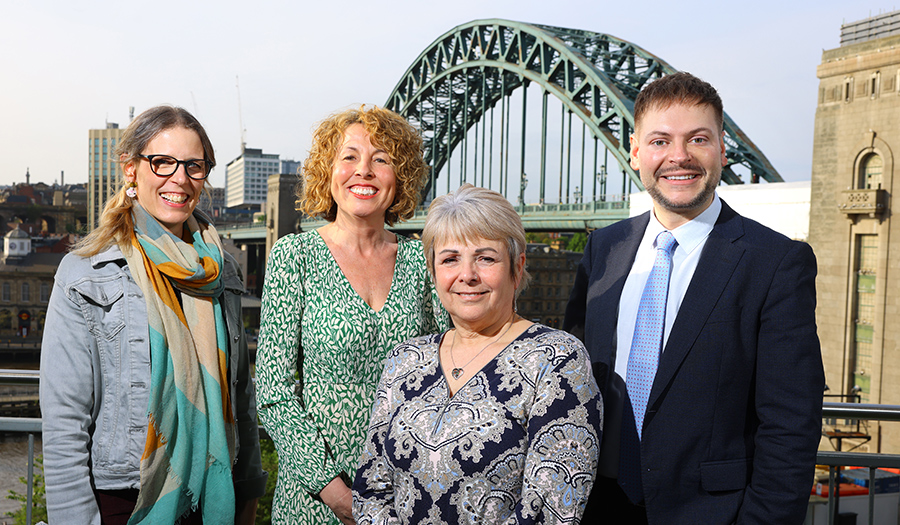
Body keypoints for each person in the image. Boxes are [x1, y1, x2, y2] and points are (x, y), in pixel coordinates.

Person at [564, 72, 825, 524]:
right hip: (594, 508)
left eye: (697, 139)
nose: (678, 157)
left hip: (709, 513)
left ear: (722, 148)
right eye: (660, 141)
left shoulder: (775, 262)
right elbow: (571, 377)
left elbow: (790, 426)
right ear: (636, 150)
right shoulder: (603, 249)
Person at [40, 105, 267, 524]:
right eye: (162, 162)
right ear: (131, 169)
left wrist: (250, 488)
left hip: (215, 499)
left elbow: (240, 395)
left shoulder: (222, 271)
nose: (179, 179)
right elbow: (64, 421)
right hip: (124, 503)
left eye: (194, 166)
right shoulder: (85, 272)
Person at [353, 184, 603, 525]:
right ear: (434, 271)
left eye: (485, 258)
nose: (467, 275)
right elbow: (371, 488)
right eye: (450, 259)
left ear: (517, 268)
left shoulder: (556, 359)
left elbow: (551, 510)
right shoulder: (406, 359)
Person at [256, 105, 448, 525]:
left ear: (400, 178)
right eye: (349, 157)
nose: (364, 171)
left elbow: (456, 366)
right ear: (328, 172)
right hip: (316, 500)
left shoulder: (423, 259)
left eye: (381, 159)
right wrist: (337, 494)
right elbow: (272, 392)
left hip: (409, 495)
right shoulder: (295, 256)